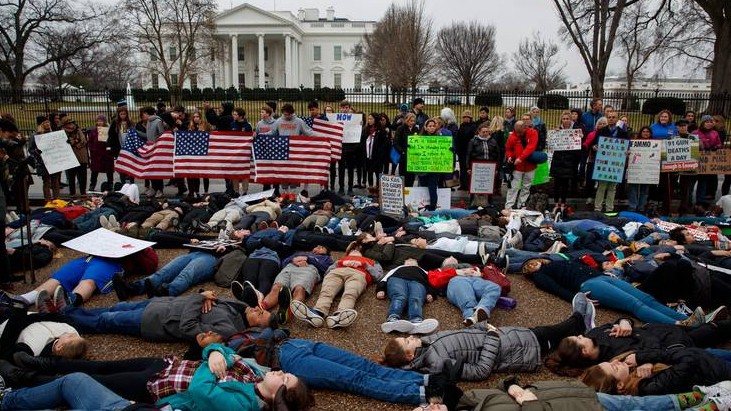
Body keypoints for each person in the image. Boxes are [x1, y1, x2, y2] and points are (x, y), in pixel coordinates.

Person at [380, 293, 595, 381]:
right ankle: (580, 321)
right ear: (409, 356)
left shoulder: (428, 343)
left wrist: (483, 326)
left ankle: (580, 326)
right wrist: (491, 336)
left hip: (508, 338)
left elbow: (463, 335)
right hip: (515, 351)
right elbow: (480, 371)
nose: (410, 337)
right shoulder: (437, 364)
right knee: (553, 333)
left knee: (550, 333)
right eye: (407, 341)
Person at [291, 244, 383, 329]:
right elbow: (327, 272)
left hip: (358, 273)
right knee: (327, 291)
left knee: (351, 293)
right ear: (348, 253)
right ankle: (318, 312)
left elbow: (378, 276)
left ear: (362, 254)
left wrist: (365, 265)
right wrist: (339, 264)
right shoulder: (341, 260)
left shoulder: (371, 261)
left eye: (357, 250)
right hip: (337, 272)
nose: (354, 251)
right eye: (352, 250)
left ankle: (341, 314)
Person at [582, 347, 731, 396]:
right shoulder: (649, 387)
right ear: (620, 385)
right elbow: (689, 359)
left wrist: (646, 361)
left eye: (610, 362)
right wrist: (643, 357)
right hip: (717, 373)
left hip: (710, 363)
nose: (616, 361)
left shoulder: (635, 372)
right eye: (614, 367)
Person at [376, 258, 439, 335]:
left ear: (417, 264)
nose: (410, 261)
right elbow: (385, 279)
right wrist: (381, 289)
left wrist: (431, 293)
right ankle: (392, 319)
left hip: (418, 282)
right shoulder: (397, 268)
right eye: (408, 261)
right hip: (397, 279)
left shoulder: (422, 270)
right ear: (404, 263)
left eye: (413, 261)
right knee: (400, 296)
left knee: (416, 298)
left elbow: (431, 281)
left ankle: (416, 320)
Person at [593, 111, 629, 213]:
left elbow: (627, 145)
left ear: (617, 119)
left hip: (616, 164)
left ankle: (609, 209)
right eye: (609, 117)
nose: (611, 119)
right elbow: (595, 144)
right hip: (603, 162)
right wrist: (595, 147)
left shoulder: (623, 132)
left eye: (613, 117)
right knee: (602, 186)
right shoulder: (601, 131)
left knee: (612, 187)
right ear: (607, 118)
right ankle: (597, 208)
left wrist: (627, 151)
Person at [550, 111, 582, 207]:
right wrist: (554, 135)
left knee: (565, 184)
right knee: (556, 183)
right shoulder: (557, 130)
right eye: (563, 119)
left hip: (569, 160)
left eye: (567, 118)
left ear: (571, 120)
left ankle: (563, 203)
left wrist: (580, 138)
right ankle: (556, 203)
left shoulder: (576, 130)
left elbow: (579, 147)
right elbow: (551, 145)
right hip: (558, 160)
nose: (565, 120)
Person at [504, 121, 538, 209]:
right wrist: (510, 157)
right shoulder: (512, 136)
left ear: (525, 128)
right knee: (513, 187)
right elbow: (508, 149)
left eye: (520, 132)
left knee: (526, 186)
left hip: (530, 165)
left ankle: (522, 204)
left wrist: (520, 158)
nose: (518, 134)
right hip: (517, 167)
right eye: (517, 132)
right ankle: (509, 206)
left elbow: (531, 147)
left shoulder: (533, 133)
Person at [28, 116, 60, 202]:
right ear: (40, 124)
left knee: (55, 181)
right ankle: (48, 200)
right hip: (43, 162)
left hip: (54, 160)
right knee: (46, 181)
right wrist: (37, 152)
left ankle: (57, 199)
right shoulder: (35, 135)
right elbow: (30, 149)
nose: (47, 124)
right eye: (45, 122)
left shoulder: (52, 133)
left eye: (48, 122)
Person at [627, 126, 655, 212]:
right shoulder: (634, 142)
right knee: (633, 188)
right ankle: (632, 206)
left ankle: (641, 206)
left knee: (645, 189)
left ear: (650, 133)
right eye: (644, 131)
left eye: (647, 132)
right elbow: (628, 153)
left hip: (648, 169)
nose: (645, 133)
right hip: (636, 168)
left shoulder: (654, 143)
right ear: (640, 133)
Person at [60, 117, 88, 197]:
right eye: (69, 123)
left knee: (82, 175)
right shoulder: (62, 132)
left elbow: (83, 141)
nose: (71, 125)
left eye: (72, 123)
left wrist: (73, 142)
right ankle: (72, 193)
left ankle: (83, 192)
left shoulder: (78, 130)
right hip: (69, 157)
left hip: (80, 156)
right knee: (71, 176)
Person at [87, 114, 114, 192]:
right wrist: (92, 149)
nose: (99, 122)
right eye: (98, 121)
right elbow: (90, 141)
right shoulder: (93, 131)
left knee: (109, 170)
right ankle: (92, 185)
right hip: (96, 154)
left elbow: (112, 140)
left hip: (107, 154)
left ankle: (110, 184)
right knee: (94, 171)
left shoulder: (108, 130)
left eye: (101, 121)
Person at [394, 113, 419, 187]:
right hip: (403, 156)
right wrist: (402, 151)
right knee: (403, 176)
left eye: (414, 121)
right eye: (411, 121)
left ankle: (410, 193)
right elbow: (396, 142)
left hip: (412, 158)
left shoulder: (416, 129)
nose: (413, 123)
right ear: (406, 120)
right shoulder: (400, 129)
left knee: (411, 177)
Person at [456, 110, 477, 190]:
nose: (465, 119)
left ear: (470, 118)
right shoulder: (461, 126)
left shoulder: (473, 127)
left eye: (467, 117)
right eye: (464, 117)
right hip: (461, 151)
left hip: (469, 151)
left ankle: (468, 184)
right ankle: (463, 184)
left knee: (468, 168)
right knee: (462, 168)